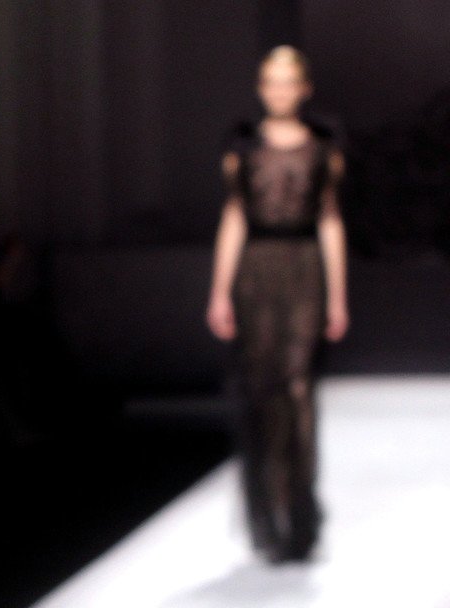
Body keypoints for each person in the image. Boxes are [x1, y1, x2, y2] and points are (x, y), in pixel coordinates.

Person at [205, 45, 349, 563]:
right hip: (256, 272)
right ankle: (269, 514)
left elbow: (330, 219)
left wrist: (338, 296)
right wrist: (219, 291)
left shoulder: (324, 148)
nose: (280, 90)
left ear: (305, 88)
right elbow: (234, 217)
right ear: (261, 88)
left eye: (289, 81)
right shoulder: (242, 148)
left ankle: (301, 513)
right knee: (262, 390)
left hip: (305, 267)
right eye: (271, 81)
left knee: (298, 386)